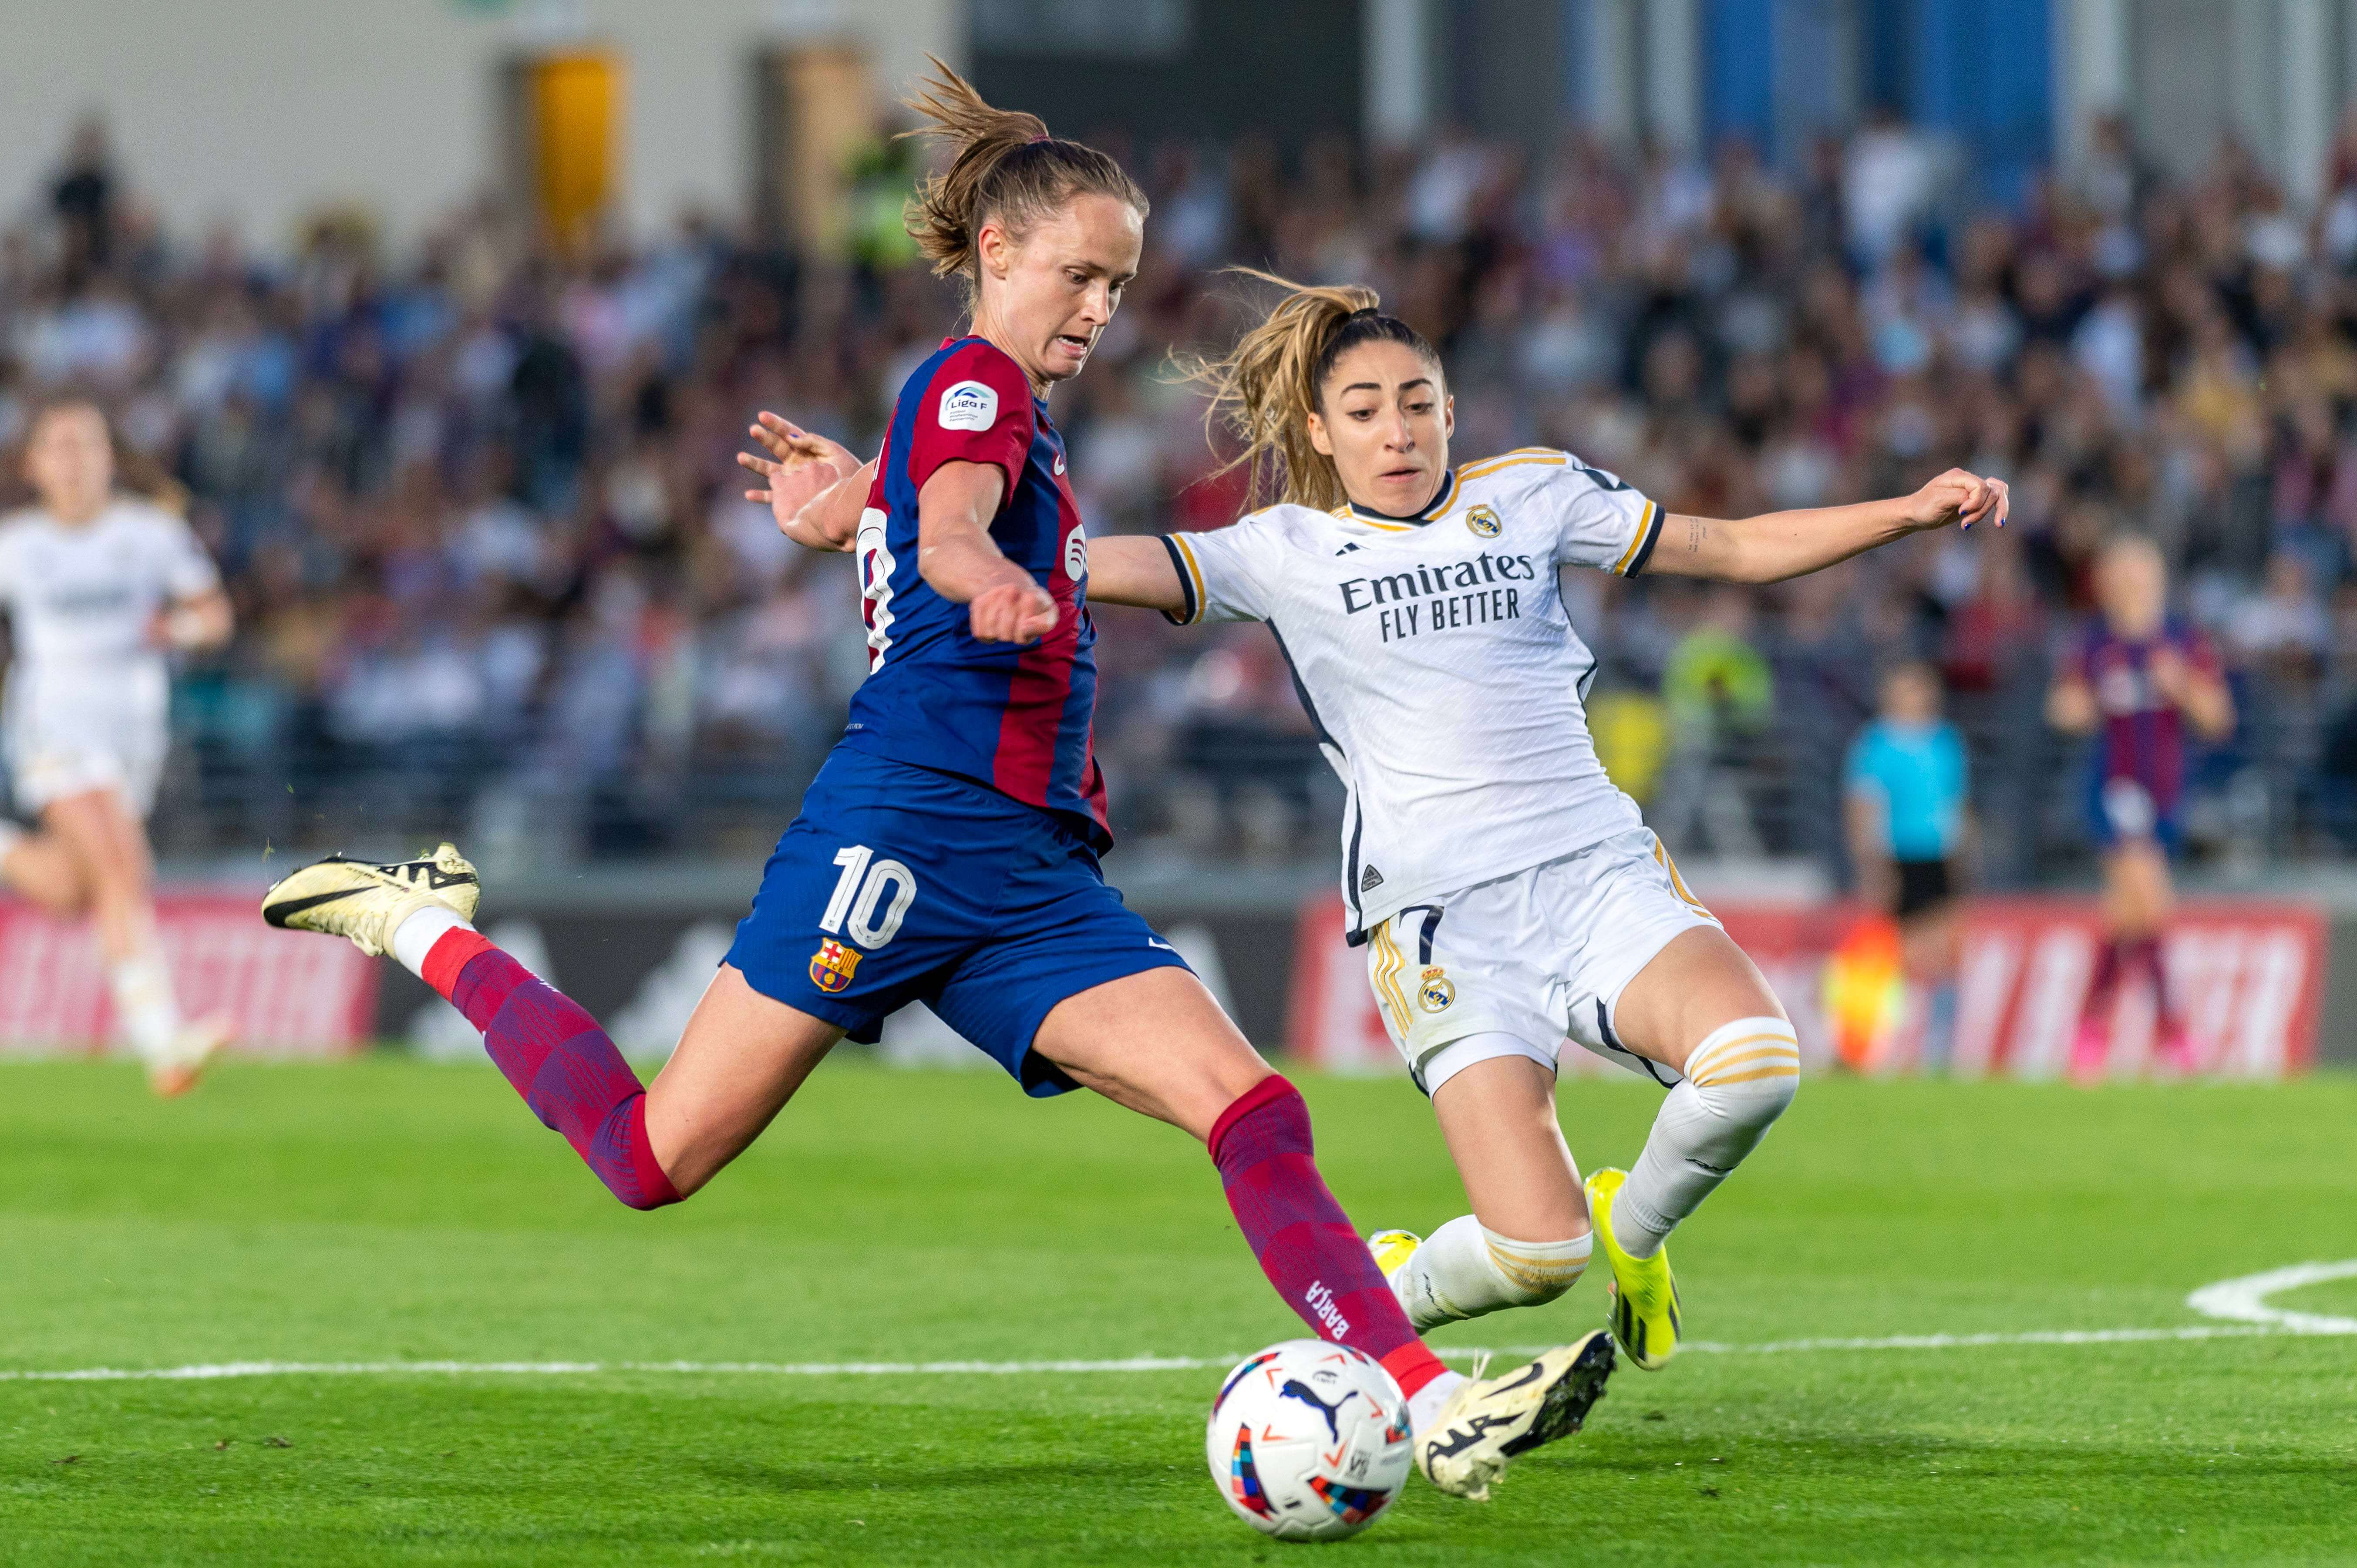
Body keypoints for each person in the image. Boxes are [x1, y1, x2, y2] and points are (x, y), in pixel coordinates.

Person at [260, 64, 1606, 1505]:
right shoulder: (973, 384)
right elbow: (960, 524)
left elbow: (925, 501)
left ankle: (1430, 1399)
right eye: (1079, 276)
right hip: (899, 831)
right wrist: (973, 573)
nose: (1098, 309)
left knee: (1251, 1107)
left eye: (1119, 284)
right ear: (997, 255)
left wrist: (851, 510)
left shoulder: (991, 404)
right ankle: (420, 925)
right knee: (652, 1157)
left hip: (1030, 874)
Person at [757, 272, 2006, 1376]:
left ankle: (1635, 1237)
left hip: (1594, 868)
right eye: (1362, 411)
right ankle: (1383, 1301)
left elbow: (1728, 546)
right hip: (1439, 918)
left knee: (1752, 1068)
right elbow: (1067, 552)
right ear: (1316, 431)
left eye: (1416, 402)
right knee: (1529, 1255)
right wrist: (876, 495)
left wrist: (1899, 511)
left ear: (1449, 411)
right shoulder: (1279, 551)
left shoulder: (1532, 497)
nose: (1395, 430)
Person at [0, 397, 234, 1094]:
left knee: (80, 890)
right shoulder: (16, 545)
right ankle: (164, 1043)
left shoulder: (152, 533)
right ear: (34, 465)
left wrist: (183, 634)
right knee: (123, 867)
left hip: (135, 733)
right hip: (54, 727)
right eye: (59, 448)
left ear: (109, 458)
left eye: (86, 445)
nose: (73, 462)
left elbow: (214, 615)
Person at [2047, 534, 2233, 1077]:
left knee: (2128, 913)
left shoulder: (2181, 640)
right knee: (2151, 901)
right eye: (2120, 570)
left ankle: (2090, 1028)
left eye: (2139, 569)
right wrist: (2078, 705)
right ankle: (2172, 1034)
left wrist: (2180, 685)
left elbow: (2218, 717)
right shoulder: (2095, 643)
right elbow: (2063, 706)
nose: (2130, 580)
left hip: (2167, 792)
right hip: (2114, 787)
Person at [1842, 660, 1972, 1069]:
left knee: (1946, 951)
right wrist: (1872, 866)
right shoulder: (1877, 745)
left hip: (1938, 855)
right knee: (1902, 953)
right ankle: (1888, 1044)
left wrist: (1964, 854)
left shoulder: (1945, 742)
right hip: (1898, 855)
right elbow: (1863, 808)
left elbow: (1957, 804)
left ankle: (1939, 1049)